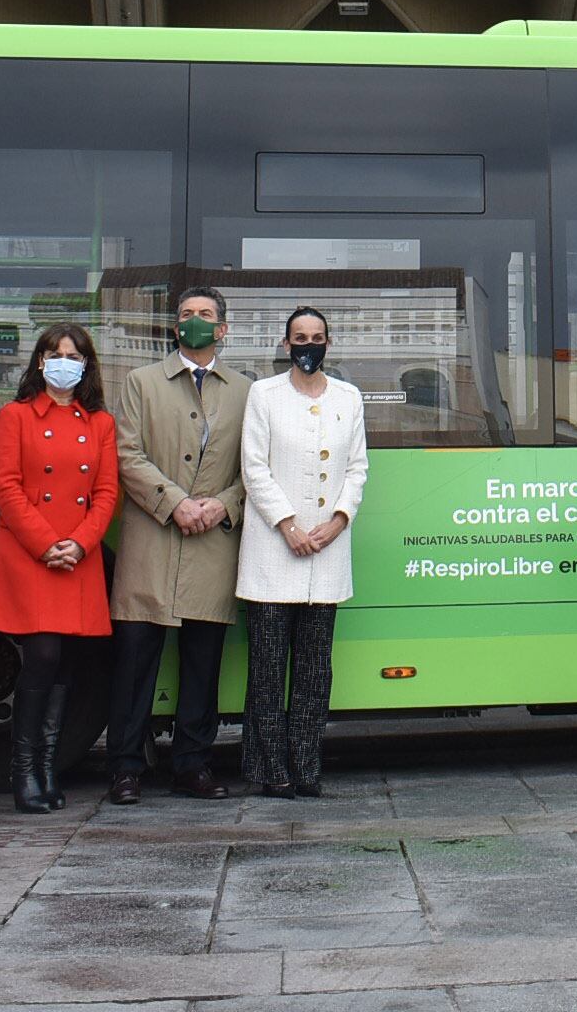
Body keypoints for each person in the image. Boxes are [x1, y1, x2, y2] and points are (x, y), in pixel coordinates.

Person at [107, 287, 246, 803]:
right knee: (135, 663)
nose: (195, 322)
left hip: (213, 543)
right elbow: (128, 455)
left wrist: (223, 504)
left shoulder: (244, 391)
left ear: (223, 329)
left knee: (202, 664)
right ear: (174, 327)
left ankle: (193, 764)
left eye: (206, 316)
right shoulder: (141, 383)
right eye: (186, 315)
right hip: (152, 541)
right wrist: (176, 503)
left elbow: (253, 465)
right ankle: (124, 767)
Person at [0, 323, 121, 814]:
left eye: (74, 354)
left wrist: (81, 544)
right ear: (40, 362)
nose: (65, 361)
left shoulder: (100, 423)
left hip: (77, 555)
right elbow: (5, 487)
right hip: (30, 553)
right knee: (40, 657)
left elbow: (106, 493)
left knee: (65, 664)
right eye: (55, 353)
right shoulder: (15, 416)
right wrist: (47, 544)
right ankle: (23, 772)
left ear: (86, 365)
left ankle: (47, 768)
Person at [236, 307, 369, 797]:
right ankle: (273, 770)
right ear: (286, 343)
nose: (307, 345)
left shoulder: (348, 397)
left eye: (316, 337)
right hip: (274, 551)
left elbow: (357, 468)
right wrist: (288, 525)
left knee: (315, 670)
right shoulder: (264, 395)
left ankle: (308, 766)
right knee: (268, 670)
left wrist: (337, 522)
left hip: (327, 553)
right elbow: (254, 468)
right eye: (299, 337)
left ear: (328, 344)